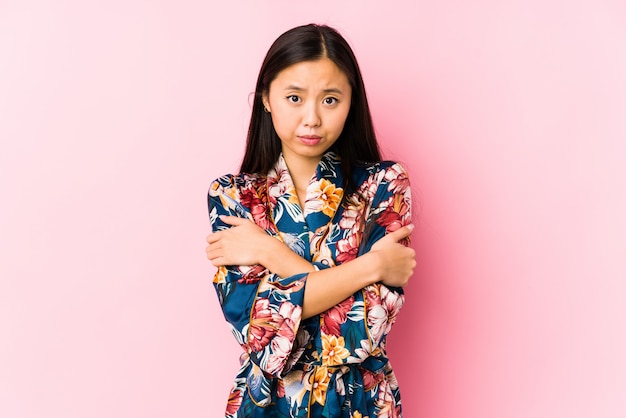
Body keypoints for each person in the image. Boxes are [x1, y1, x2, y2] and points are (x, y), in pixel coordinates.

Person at [205, 23, 415, 418]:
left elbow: (361, 329)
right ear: (266, 98)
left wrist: (269, 253)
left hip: (361, 404)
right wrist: (370, 266)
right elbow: (258, 332)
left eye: (331, 100)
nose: (312, 118)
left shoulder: (383, 185)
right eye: (294, 97)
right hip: (267, 406)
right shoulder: (234, 197)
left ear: (352, 101)